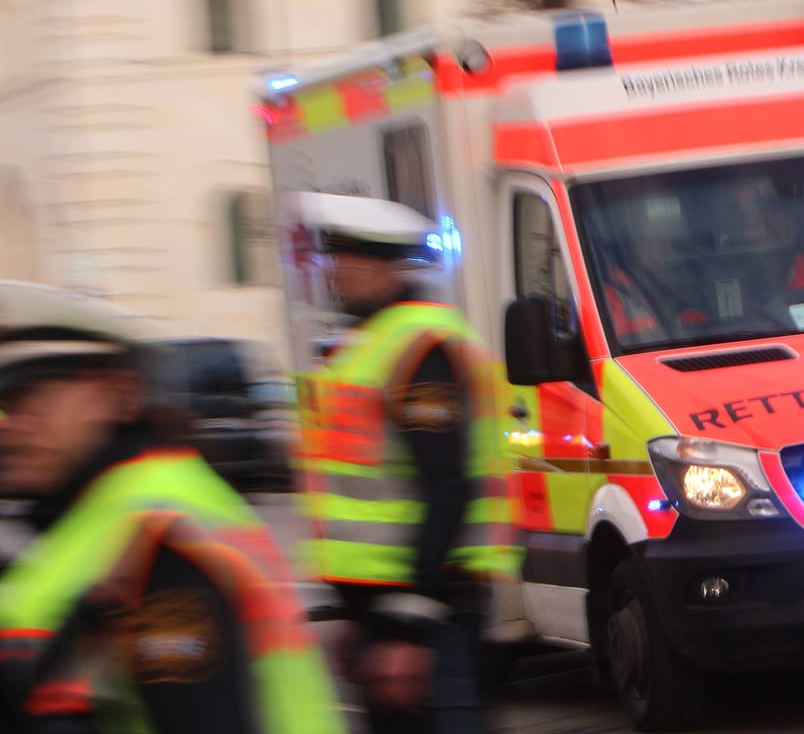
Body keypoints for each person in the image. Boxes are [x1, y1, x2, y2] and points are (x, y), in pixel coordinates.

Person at [0, 280, 344, 734]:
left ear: (117, 395)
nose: (10, 424)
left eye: (30, 397)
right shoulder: (81, 516)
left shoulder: (157, 531)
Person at [291, 193, 521, 734]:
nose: (333, 274)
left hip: (431, 615)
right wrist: (353, 615)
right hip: (388, 613)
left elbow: (447, 488)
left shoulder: (422, 350)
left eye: (344, 262)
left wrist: (411, 624)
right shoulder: (369, 344)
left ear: (381, 267)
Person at [601, 194, 709, 342]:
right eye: (659, 243)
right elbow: (620, 341)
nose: (668, 251)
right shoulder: (612, 295)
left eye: (670, 244)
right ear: (637, 246)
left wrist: (696, 322)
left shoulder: (669, 284)